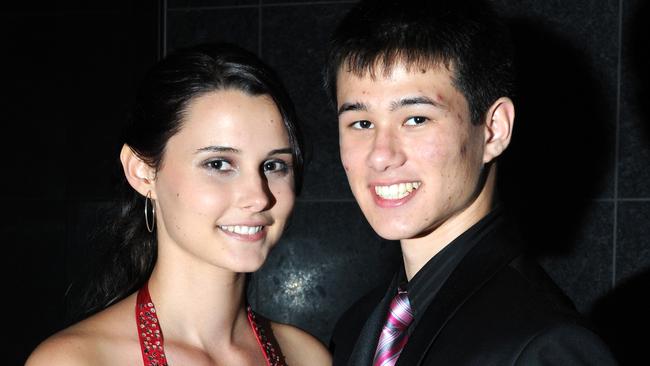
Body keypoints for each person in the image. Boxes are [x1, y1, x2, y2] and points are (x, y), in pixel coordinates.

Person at [324, 0, 618, 365]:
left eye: (416, 119)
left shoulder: (544, 344)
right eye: (361, 124)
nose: (381, 155)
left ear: (494, 130)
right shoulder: (355, 327)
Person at [27, 43, 331, 366]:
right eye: (218, 164)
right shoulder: (75, 360)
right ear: (142, 172)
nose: (258, 196)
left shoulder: (308, 357)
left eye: (273, 166)